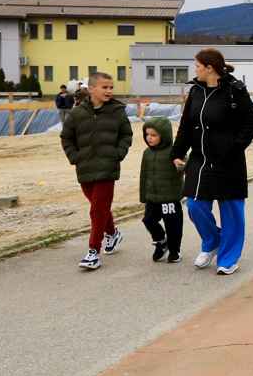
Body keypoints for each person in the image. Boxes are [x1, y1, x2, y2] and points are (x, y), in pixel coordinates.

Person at [171, 49, 253, 276]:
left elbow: (251, 121)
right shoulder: (196, 91)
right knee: (194, 206)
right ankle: (212, 241)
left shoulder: (235, 90)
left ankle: (228, 259)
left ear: (209, 68)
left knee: (231, 213)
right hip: (200, 160)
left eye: (197, 65)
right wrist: (177, 153)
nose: (195, 69)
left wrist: (234, 145)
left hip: (229, 160)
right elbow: (187, 124)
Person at [60, 72, 133, 271]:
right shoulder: (76, 113)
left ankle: (93, 252)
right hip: (84, 167)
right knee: (98, 207)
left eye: (111, 87)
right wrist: (75, 158)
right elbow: (66, 137)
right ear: (91, 89)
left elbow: (126, 135)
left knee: (97, 210)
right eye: (104, 87)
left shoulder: (117, 112)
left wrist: (117, 154)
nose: (109, 91)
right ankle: (112, 233)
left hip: (108, 168)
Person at [139, 116, 184, 263]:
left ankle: (175, 250)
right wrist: (143, 197)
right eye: (147, 134)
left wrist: (182, 167)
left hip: (170, 197)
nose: (149, 138)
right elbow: (143, 176)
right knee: (149, 219)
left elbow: (185, 160)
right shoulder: (147, 153)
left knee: (173, 227)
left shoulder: (173, 151)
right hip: (153, 197)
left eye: (153, 135)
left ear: (163, 135)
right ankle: (161, 241)